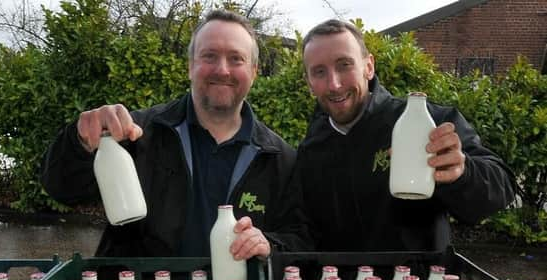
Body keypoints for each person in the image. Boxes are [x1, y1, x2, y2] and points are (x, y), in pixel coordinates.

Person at [41, 10, 295, 261]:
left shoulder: (279, 158)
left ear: (254, 71)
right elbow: (61, 189)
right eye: (209, 56)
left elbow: (299, 238)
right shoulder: (136, 133)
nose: (222, 69)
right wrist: (80, 141)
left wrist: (270, 245)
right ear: (190, 66)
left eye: (236, 59)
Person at [271, 19, 516, 253]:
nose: (334, 84)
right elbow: (302, 232)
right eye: (319, 72)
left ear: (368, 66)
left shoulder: (427, 123)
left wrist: (463, 173)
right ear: (309, 82)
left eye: (344, 65)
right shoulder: (310, 150)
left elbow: (501, 188)